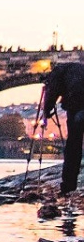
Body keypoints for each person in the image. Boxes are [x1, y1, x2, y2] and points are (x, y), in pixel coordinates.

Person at [41, 61, 84, 193]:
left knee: (73, 147)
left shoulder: (58, 72)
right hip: (78, 106)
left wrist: (46, 110)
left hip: (77, 108)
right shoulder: (76, 69)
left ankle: (68, 186)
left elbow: (51, 93)